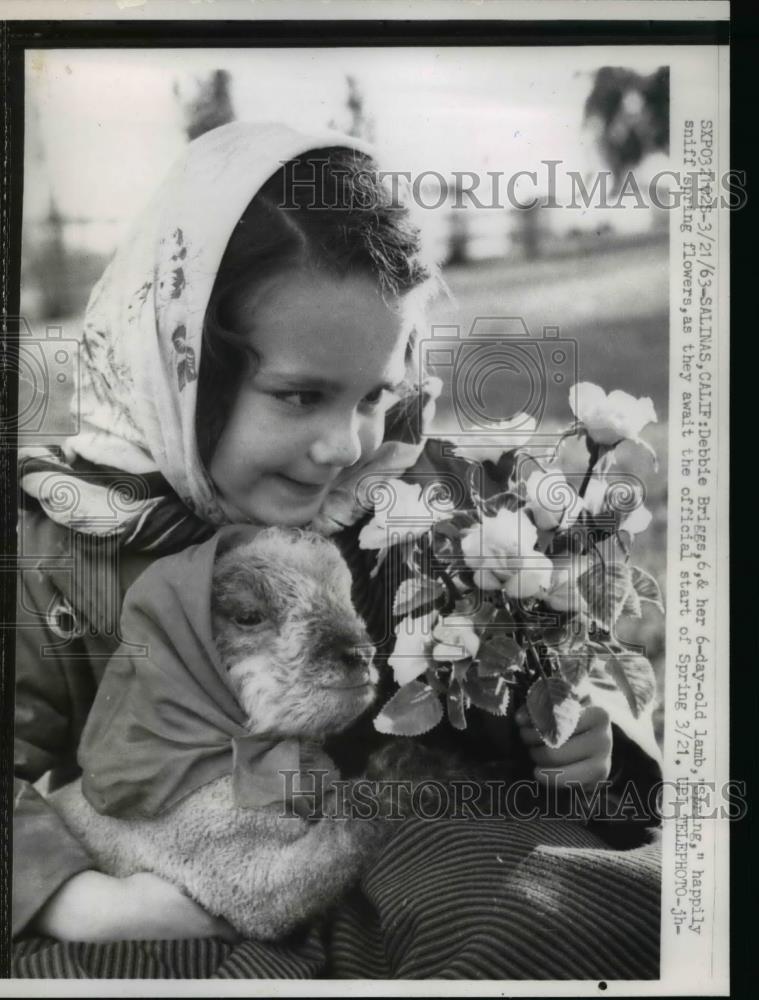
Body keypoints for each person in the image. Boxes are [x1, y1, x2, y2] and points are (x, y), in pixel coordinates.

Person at [12, 122, 662, 979]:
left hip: (392, 856)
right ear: (176, 363)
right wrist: (78, 903)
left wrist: (573, 739)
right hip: (171, 900)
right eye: (299, 395)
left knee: (569, 916)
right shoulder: (62, 547)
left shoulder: (399, 498)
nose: (343, 444)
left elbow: (506, 692)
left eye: (373, 394)